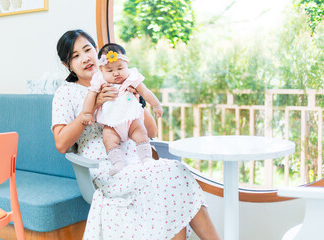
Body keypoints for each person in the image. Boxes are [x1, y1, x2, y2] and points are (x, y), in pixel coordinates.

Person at [52, 29, 221, 240]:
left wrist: (135, 101)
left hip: (138, 159)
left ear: (97, 51)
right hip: (105, 167)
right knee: (170, 176)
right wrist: (94, 105)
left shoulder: (120, 78)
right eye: (75, 56)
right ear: (67, 65)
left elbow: (151, 131)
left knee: (176, 172)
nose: (85, 58)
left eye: (87, 50)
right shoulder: (66, 93)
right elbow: (61, 143)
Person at [81, 43, 163, 176]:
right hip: (111, 124)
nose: (116, 73)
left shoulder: (131, 78)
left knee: (141, 134)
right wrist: (87, 113)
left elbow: (145, 91)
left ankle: (147, 159)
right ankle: (118, 164)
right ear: (101, 70)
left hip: (131, 121)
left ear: (126, 65)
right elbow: (90, 95)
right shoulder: (100, 80)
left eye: (120, 68)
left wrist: (156, 105)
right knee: (108, 139)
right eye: (110, 70)